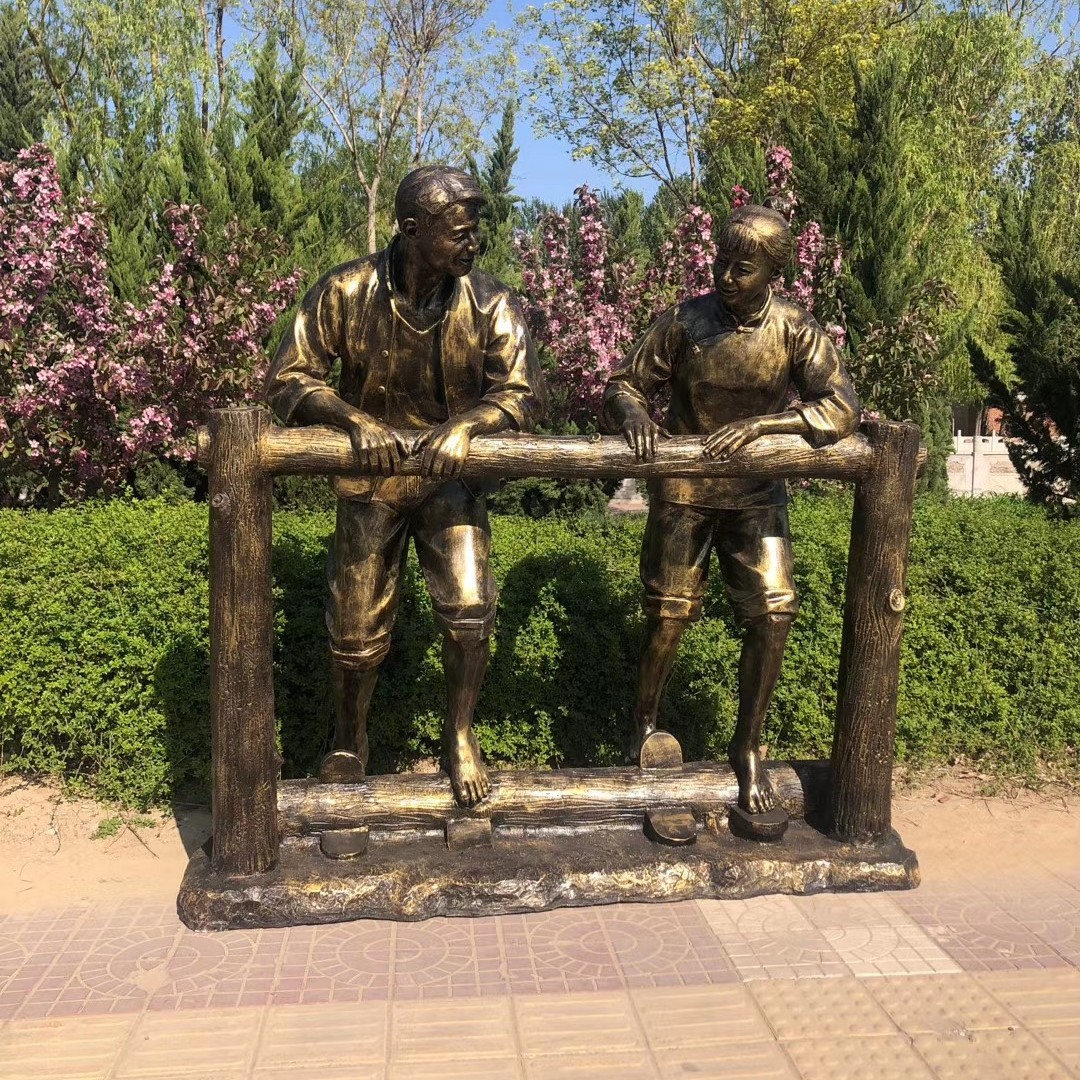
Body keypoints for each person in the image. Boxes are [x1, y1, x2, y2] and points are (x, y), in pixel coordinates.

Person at [265, 165, 547, 808]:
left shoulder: (492, 302)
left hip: (452, 482)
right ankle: (349, 742)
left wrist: (469, 426)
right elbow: (288, 378)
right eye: (460, 233)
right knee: (355, 634)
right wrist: (349, 418)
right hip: (372, 481)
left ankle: (460, 737)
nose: (474, 244)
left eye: (476, 232)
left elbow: (523, 394)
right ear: (413, 231)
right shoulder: (345, 289)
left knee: (471, 614)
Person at [602, 204, 859, 816]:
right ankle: (643, 724)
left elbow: (840, 404)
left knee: (774, 613)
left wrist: (767, 425)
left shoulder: (795, 329)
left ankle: (748, 745)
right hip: (686, 492)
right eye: (721, 262)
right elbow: (624, 382)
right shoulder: (685, 321)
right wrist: (635, 415)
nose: (725, 276)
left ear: (773, 273)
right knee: (667, 619)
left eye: (742, 268)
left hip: (755, 497)